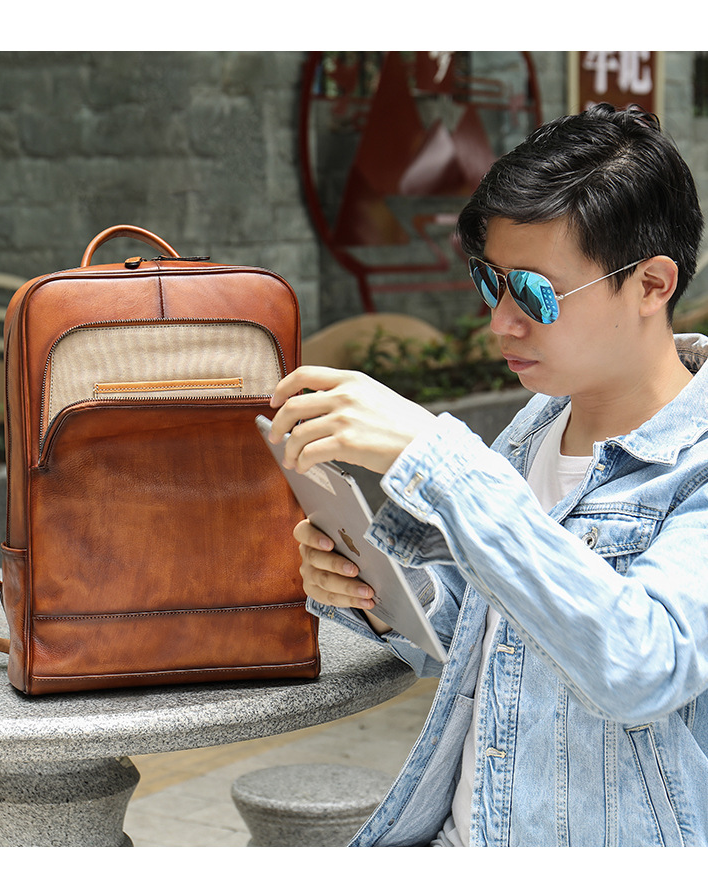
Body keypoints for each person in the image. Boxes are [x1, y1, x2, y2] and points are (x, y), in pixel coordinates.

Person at [268, 103, 708, 847]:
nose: (501, 321)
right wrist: (384, 594)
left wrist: (441, 458)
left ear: (651, 285)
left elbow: (643, 666)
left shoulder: (693, 463)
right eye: (489, 280)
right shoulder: (539, 425)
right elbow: (480, 624)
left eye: (533, 292)